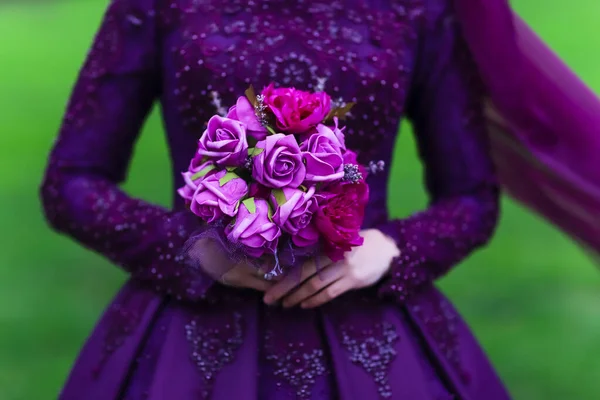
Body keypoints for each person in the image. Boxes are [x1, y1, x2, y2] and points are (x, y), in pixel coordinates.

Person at [39, 0, 600, 399]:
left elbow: (473, 197)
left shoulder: (419, 10)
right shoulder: (157, 5)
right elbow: (71, 181)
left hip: (366, 311)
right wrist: (194, 252)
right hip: (193, 323)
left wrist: (390, 251)